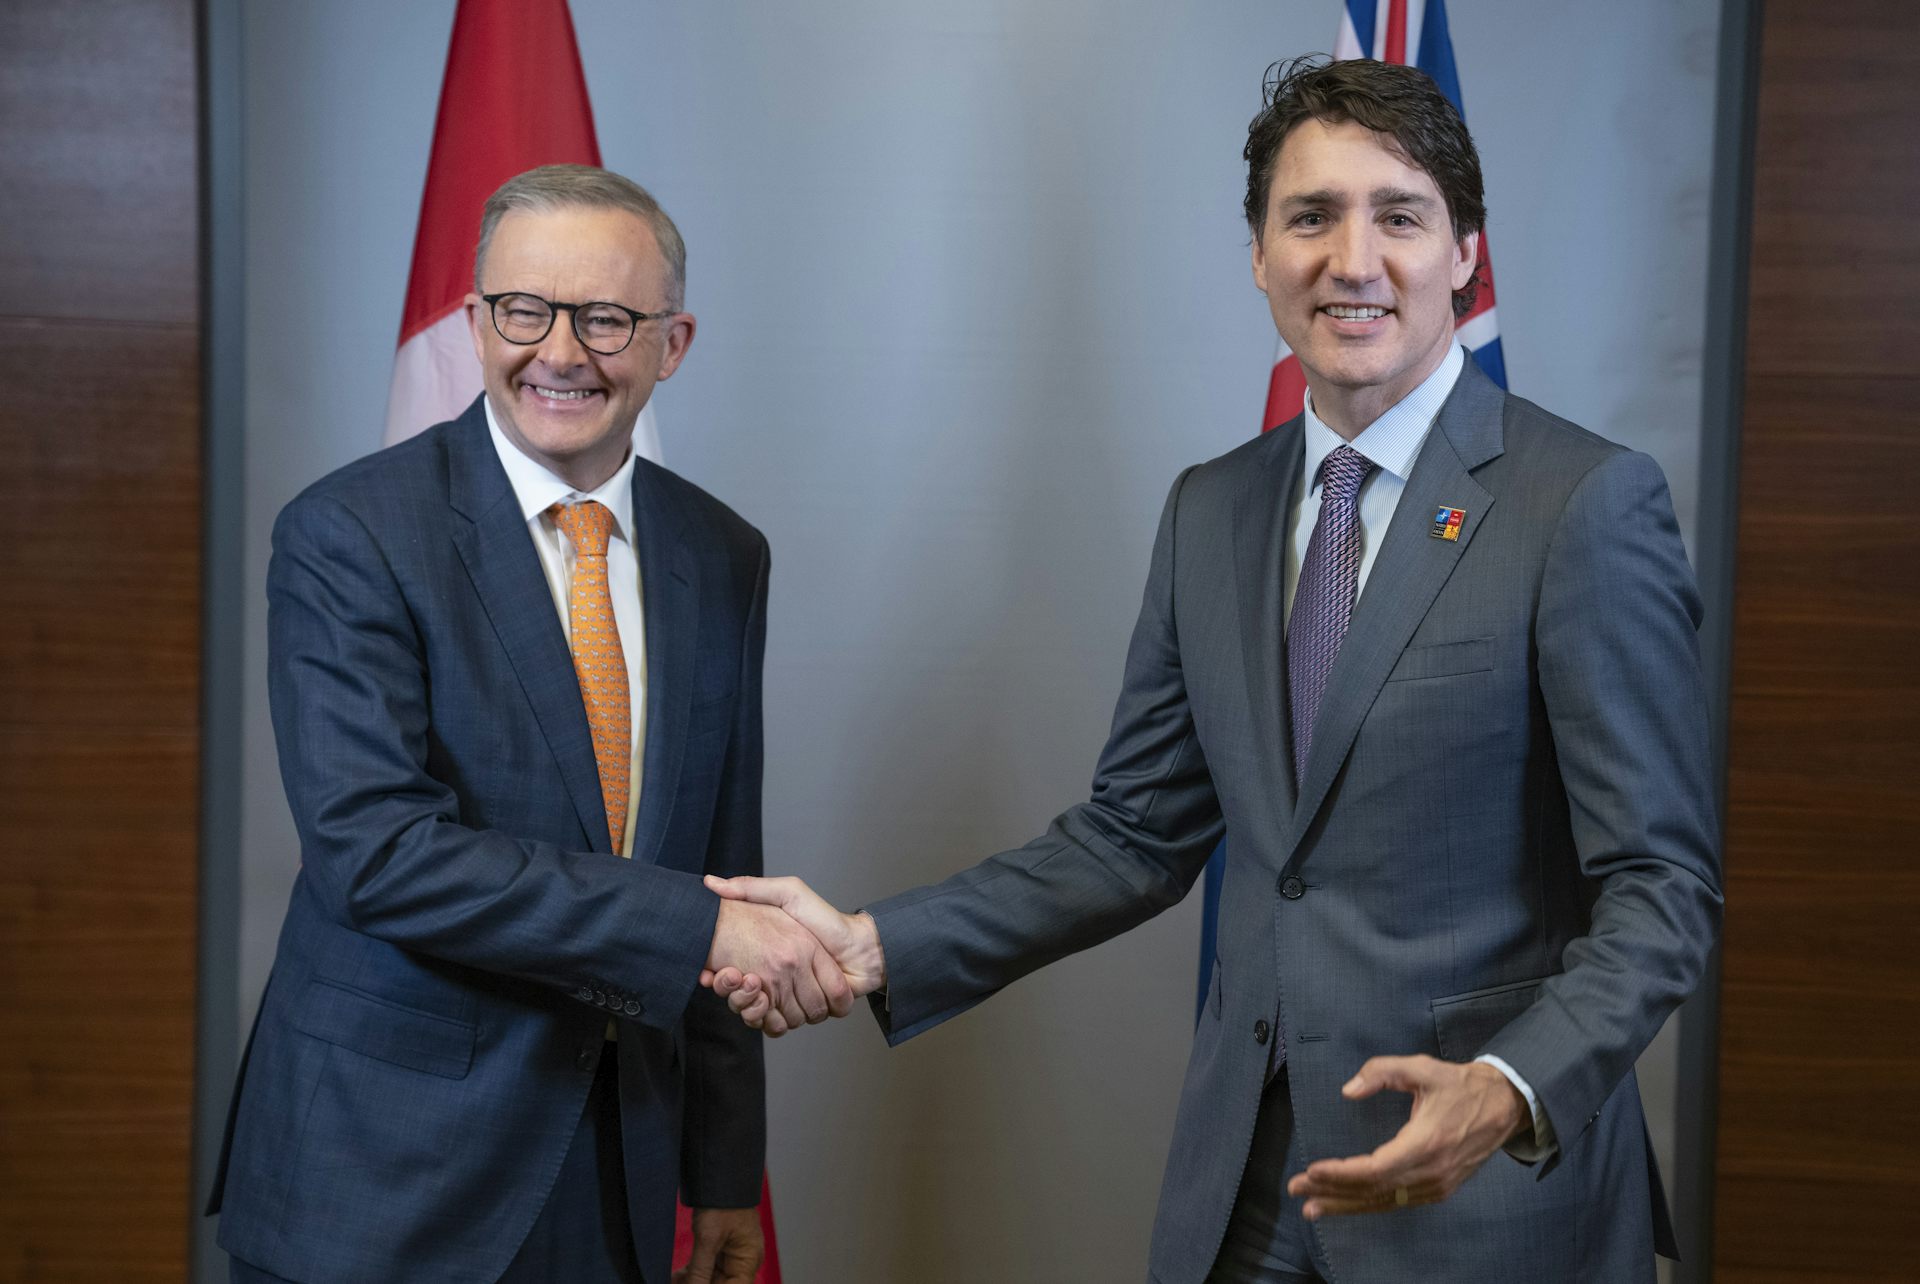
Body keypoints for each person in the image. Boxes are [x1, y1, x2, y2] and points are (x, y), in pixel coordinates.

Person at [705, 58, 1722, 1284]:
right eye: (1311, 217)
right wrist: (873, 943)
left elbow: (1662, 888)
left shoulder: (1583, 505)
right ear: (1259, 254)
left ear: (1465, 254)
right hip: (1245, 1186)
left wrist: (1510, 1090)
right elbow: (1133, 835)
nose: (1353, 260)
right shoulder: (1213, 511)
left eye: (1398, 216)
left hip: (1485, 1200)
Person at [208, 165, 851, 1284]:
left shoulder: (722, 553)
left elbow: (721, 864)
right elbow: (379, 856)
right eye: (523, 310)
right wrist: (692, 931)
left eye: (606, 318)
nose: (560, 352)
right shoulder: (349, 534)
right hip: (381, 1176)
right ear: (472, 322)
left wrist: (723, 1171)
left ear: (672, 343)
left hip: (616, 1177)